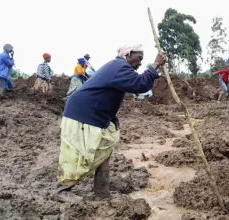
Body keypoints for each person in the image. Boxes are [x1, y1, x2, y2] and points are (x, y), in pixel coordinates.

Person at [54, 44, 166, 202]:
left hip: (93, 114)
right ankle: (62, 191)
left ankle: (102, 192)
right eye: (139, 58)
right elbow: (140, 85)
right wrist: (155, 65)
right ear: (128, 54)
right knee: (78, 153)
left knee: (105, 147)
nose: (140, 63)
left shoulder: (118, 68)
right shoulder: (120, 67)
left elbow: (107, 95)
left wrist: (112, 118)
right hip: (82, 114)